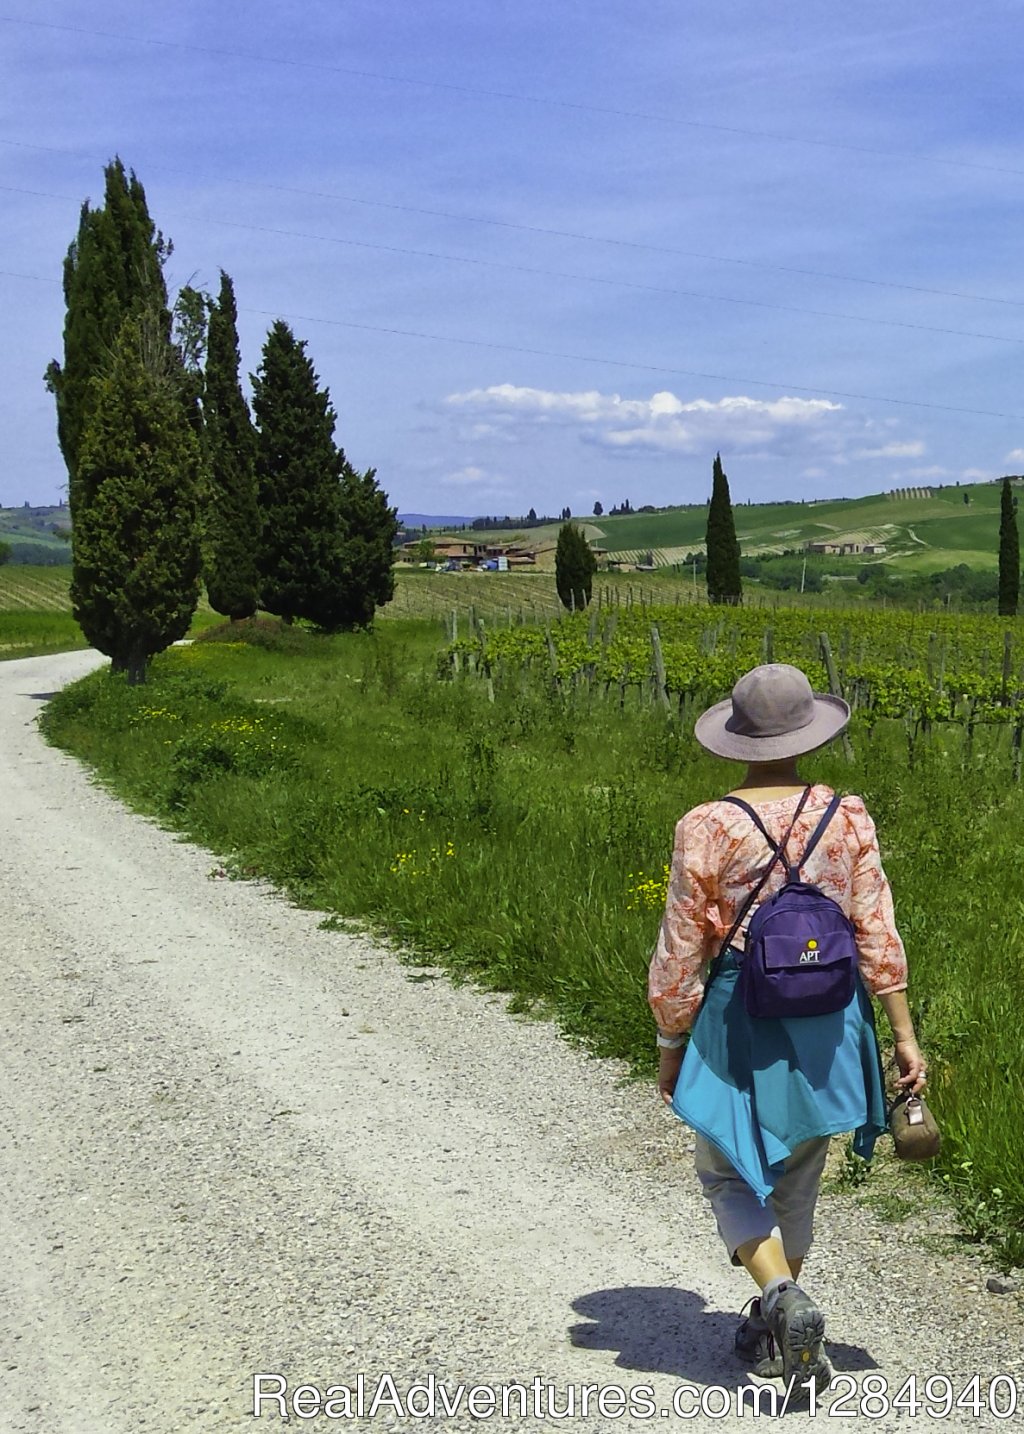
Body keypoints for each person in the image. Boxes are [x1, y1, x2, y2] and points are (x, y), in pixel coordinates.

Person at [648, 663, 926, 1397]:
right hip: (831, 1016)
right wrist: (902, 1035)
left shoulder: (707, 826)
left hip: (744, 1015)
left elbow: (681, 947)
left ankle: (778, 1300)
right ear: (810, 733)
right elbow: (877, 929)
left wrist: (671, 1042)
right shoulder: (848, 815)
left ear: (737, 739)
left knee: (725, 1167)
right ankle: (773, 1321)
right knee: (800, 1172)